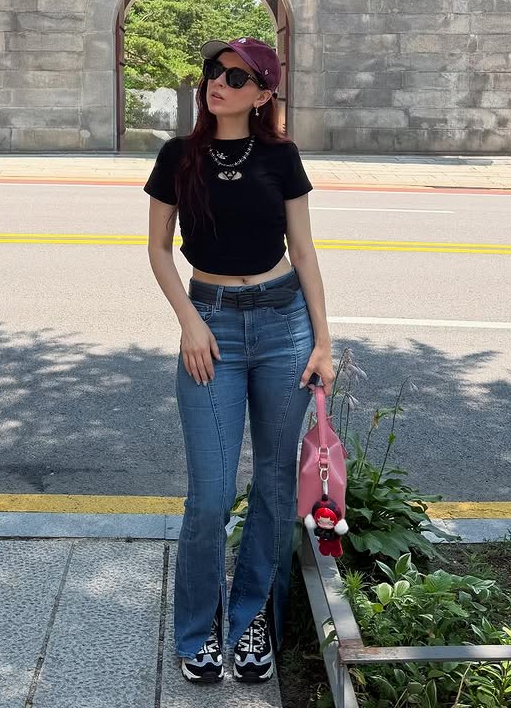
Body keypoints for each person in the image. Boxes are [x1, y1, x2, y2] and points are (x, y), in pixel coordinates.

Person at [144, 36, 335, 684]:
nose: (216, 83)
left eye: (233, 76)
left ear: (262, 94)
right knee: (211, 494)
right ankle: (199, 625)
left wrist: (323, 341)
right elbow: (158, 248)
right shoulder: (178, 156)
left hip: (284, 325)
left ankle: (252, 617)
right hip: (212, 327)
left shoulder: (281, 157)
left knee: (276, 487)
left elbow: (303, 251)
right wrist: (190, 322)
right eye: (212, 73)